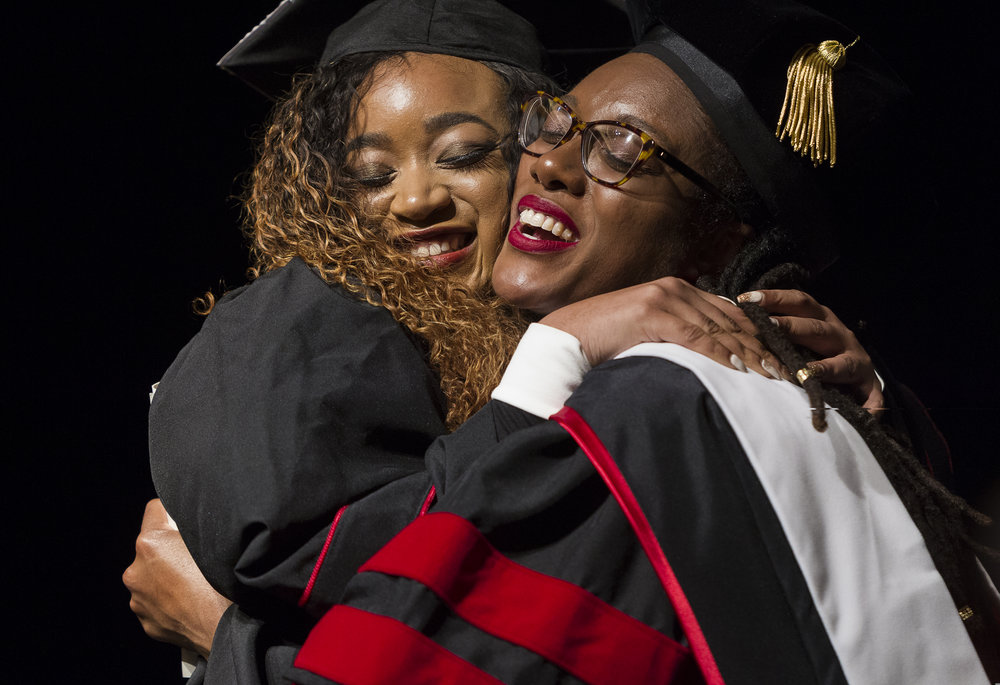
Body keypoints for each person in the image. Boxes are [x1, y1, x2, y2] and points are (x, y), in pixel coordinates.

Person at [126, 0, 917, 680]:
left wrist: (219, 633)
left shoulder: (641, 366)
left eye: (467, 155)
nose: (416, 197)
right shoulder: (302, 329)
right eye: (369, 175)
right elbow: (350, 584)